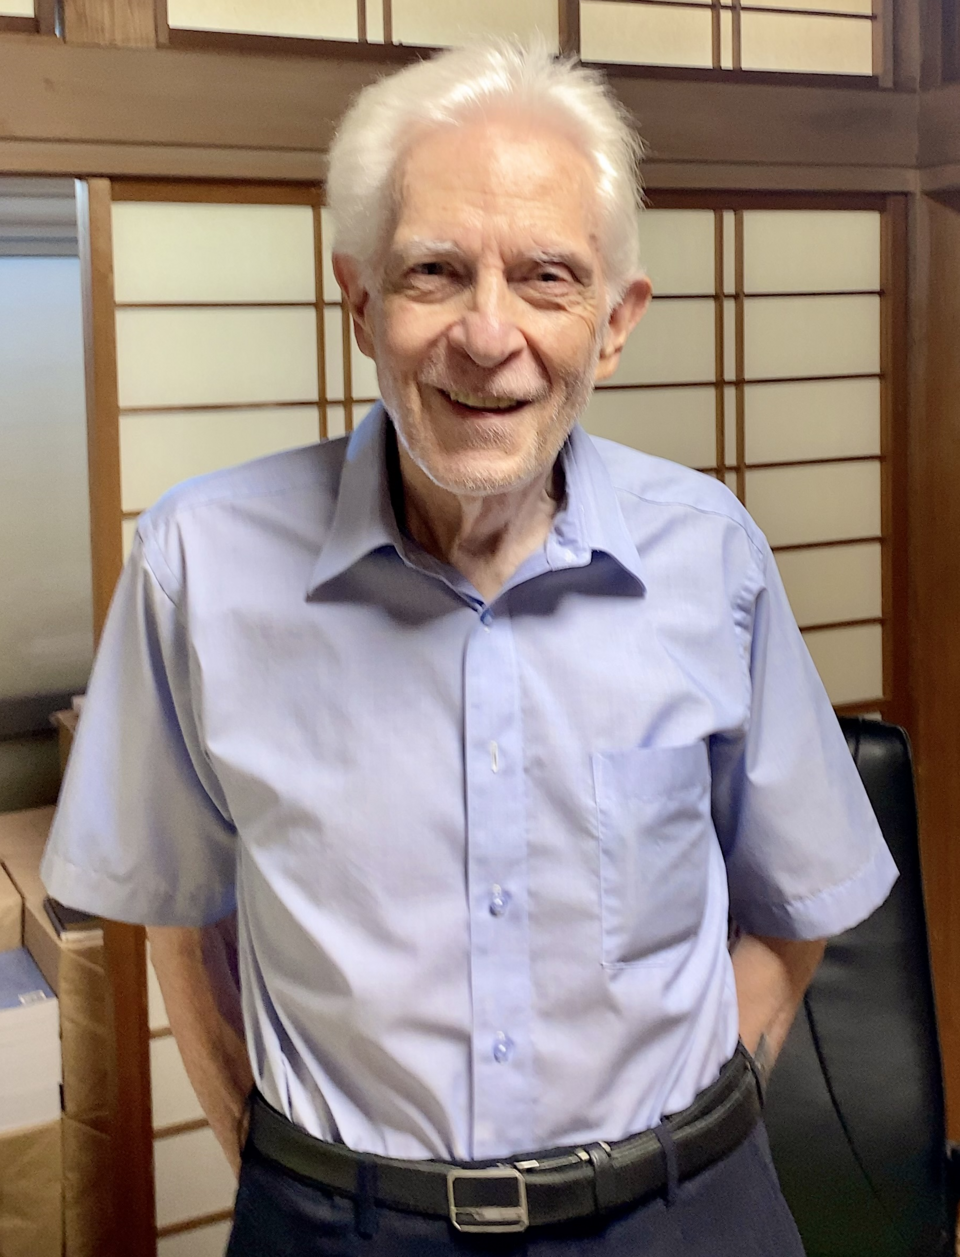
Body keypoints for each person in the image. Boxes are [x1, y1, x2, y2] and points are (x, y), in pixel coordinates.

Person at [41, 41, 898, 1256]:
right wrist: (296, 1181)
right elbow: (184, 913)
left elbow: (797, 902)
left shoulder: (711, 553)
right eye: (435, 272)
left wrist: (692, 1149)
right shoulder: (199, 564)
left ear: (614, 324)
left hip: (686, 1212)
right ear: (359, 304)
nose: (489, 336)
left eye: (548, 278)